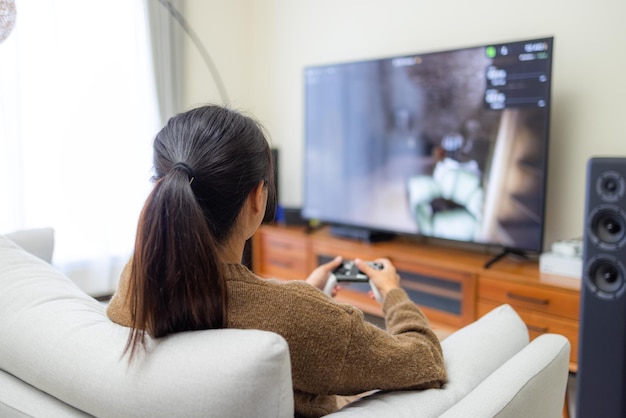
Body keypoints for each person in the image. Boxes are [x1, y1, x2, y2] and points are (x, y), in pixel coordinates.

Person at [106, 104, 447, 418]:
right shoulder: (301, 319)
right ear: (258, 196)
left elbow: (234, 305)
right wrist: (392, 293)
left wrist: (299, 296)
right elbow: (426, 361)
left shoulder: (134, 281)